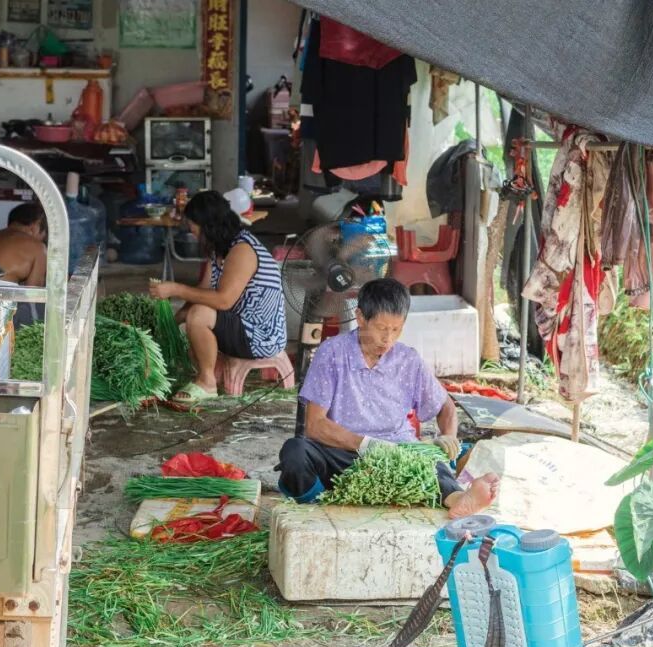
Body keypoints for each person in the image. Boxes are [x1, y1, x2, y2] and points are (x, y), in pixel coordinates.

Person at [278, 278, 499, 518]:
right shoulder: (331, 353)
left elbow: (445, 406)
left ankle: (458, 499)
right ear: (360, 317)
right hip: (343, 453)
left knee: (429, 461)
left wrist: (449, 436)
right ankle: (320, 503)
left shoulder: (408, 360)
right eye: (381, 328)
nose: (388, 339)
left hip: (398, 452)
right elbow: (315, 425)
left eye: (396, 329)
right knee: (295, 452)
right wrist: (367, 445)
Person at [150, 190, 287, 404]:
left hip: (261, 336)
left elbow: (223, 300)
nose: (191, 231)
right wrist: (170, 323)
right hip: (241, 326)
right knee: (195, 313)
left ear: (208, 225)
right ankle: (207, 373)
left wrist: (176, 289)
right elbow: (202, 292)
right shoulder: (219, 250)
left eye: (193, 226)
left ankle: (207, 382)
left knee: (199, 315)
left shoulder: (242, 249)